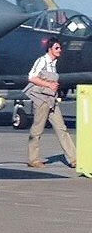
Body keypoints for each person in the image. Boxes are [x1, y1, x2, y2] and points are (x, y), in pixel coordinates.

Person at [24, 39, 76, 169]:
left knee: (61, 128)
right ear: (50, 49)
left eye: (60, 48)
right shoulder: (42, 61)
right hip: (41, 100)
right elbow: (31, 77)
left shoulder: (54, 63)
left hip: (52, 100)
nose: (59, 50)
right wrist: (49, 84)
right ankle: (33, 159)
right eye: (57, 48)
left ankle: (74, 159)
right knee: (37, 130)